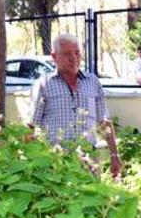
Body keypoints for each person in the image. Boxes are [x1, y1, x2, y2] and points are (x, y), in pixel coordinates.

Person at [30, 33, 122, 178]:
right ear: (54, 57)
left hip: (89, 159)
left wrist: (114, 154)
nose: (73, 58)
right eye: (67, 54)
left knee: (93, 198)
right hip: (56, 160)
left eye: (77, 52)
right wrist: (33, 161)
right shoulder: (43, 84)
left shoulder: (92, 82)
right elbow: (31, 127)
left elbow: (104, 122)